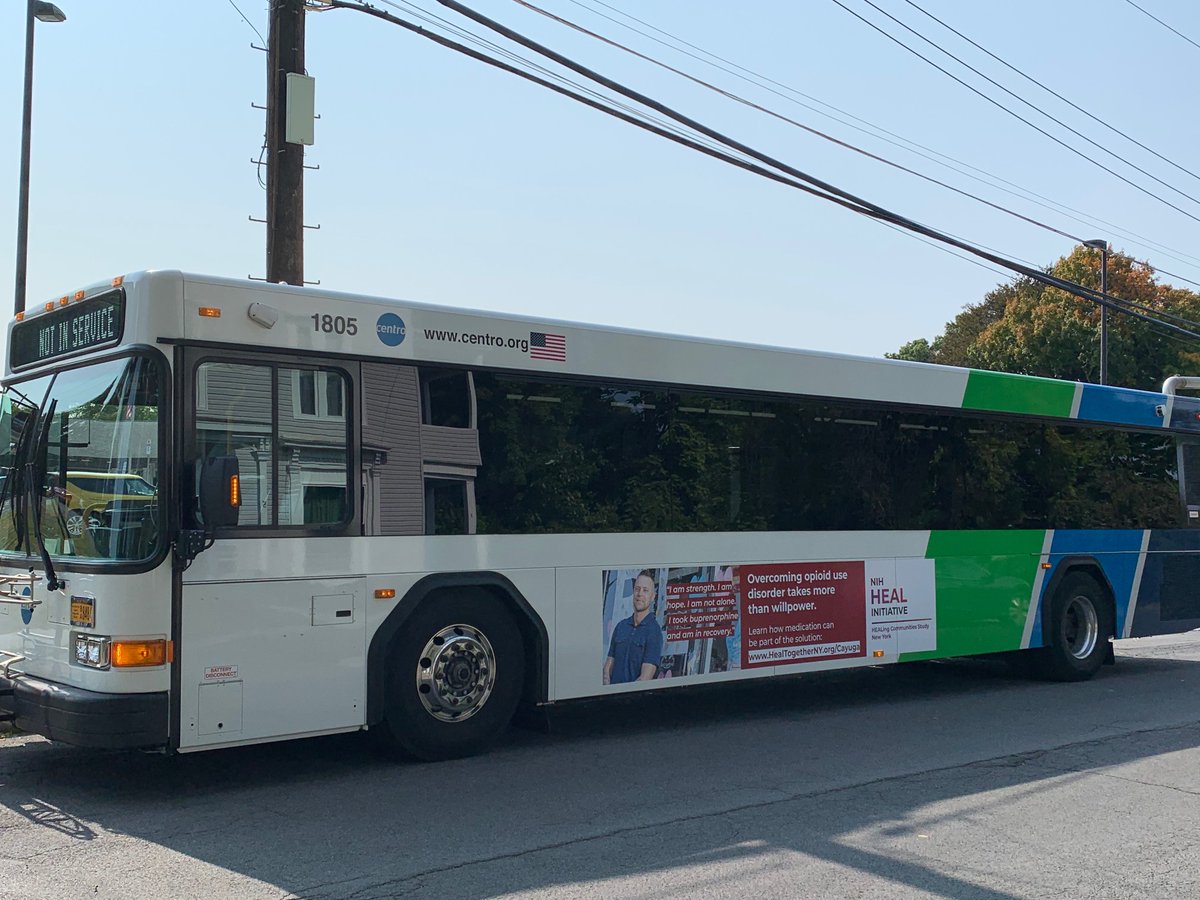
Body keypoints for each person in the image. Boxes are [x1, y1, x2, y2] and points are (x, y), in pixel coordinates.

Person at [603, 569, 664, 684]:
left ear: (652, 597)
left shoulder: (654, 632)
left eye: (645, 590)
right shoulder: (621, 627)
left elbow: (645, 678)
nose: (640, 594)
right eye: (637, 589)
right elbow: (607, 669)